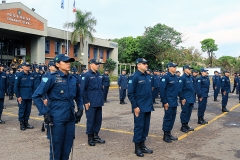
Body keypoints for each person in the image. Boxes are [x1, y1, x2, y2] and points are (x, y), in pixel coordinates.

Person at [32, 54, 83, 160]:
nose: (68, 64)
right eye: (65, 62)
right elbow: (36, 96)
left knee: (67, 147)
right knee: (56, 148)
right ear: (57, 64)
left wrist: (80, 108)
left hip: (70, 116)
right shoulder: (51, 78)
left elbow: (78, 95)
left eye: (69, 62)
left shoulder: (73, 78)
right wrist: (45, 112)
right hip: (56, 116)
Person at [128, 58, 154, 157]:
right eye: (144, 63)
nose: (146, 65)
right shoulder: (134, 77)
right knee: (139, 127)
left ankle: (143, 145)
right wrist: (135, 106)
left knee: (145, 127)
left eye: (146, 63)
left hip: (147, 106)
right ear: (138, 65)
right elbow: (130, 93)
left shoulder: (147, 76)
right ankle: (137, 148)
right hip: (139, 107)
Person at [80, 59, 105, 146]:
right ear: (91, 65)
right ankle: (90, 137)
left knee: (98, 120)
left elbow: (101, 89)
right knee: (91, 120)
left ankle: (96, 135)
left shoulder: (99, 75)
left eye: (98, 64)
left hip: (98, 101)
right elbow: (82, 90)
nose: (98, 65)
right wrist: (86, 101)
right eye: (96, 64)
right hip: (90, 102)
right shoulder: (86, 75)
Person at [160, 62, 179, 143]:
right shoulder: (165, 77)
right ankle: (165, 135)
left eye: (175, 67)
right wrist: (165, 102)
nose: (175, 68)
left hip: (174, 101)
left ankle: (169, 133)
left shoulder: (175, 77)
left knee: (173, 118)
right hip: (168, 101)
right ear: (169, 68)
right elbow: (162, 90)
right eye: (173, 67)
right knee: (168, 118)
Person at [14, 62, 35, 130]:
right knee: (22, 109)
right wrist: (18, 96)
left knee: (28, 110)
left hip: (29, 95)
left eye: (28, 66)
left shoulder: (31, 75)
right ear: (22, 67)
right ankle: (22, 123)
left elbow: (34, 86)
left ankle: (26, 122)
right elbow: (16, 86)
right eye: (26, 66)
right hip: (22, 95)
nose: (28, 67)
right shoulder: (19, 75)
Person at [178, 65, 195, 133]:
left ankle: (186, 124)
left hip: (190, 98)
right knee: (184, 112)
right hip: (185, 99)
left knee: (189, 112)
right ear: (185, 70)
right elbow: (179, 89)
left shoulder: (190, 77)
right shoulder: (182, 78)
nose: (190, 70)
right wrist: (182, 98)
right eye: (189, 69)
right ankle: (183, 126)